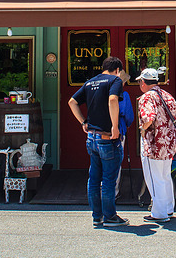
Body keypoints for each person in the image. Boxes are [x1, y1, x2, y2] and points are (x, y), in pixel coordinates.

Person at [68, 56, 128, 228]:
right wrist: (115, 126)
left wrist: (83, 122)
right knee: (109, 179)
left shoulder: (90, 82)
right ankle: (110, 217)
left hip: (91, 137)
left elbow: (72, 102)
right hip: (107, 137)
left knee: (94, 179)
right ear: (117, 70)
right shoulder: (115, 81)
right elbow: (112, 100)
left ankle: (97, 216)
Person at [137, 66, 176, 224]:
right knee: (165, 177)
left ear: (143, 82)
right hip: (168, 144)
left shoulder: (147, 97)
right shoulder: (167, 95)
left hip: (154, 144)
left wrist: (142, 129)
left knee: (154, 179)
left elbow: (149, 117)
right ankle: (168, 208)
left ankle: (159, 213)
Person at [115, 69, 135, 199]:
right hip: (119, 129)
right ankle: (114, 191)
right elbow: (129, 116)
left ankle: (100, 191)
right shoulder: (124, 95)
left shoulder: (102, 93)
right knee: (116, 161)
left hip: (100, 130)